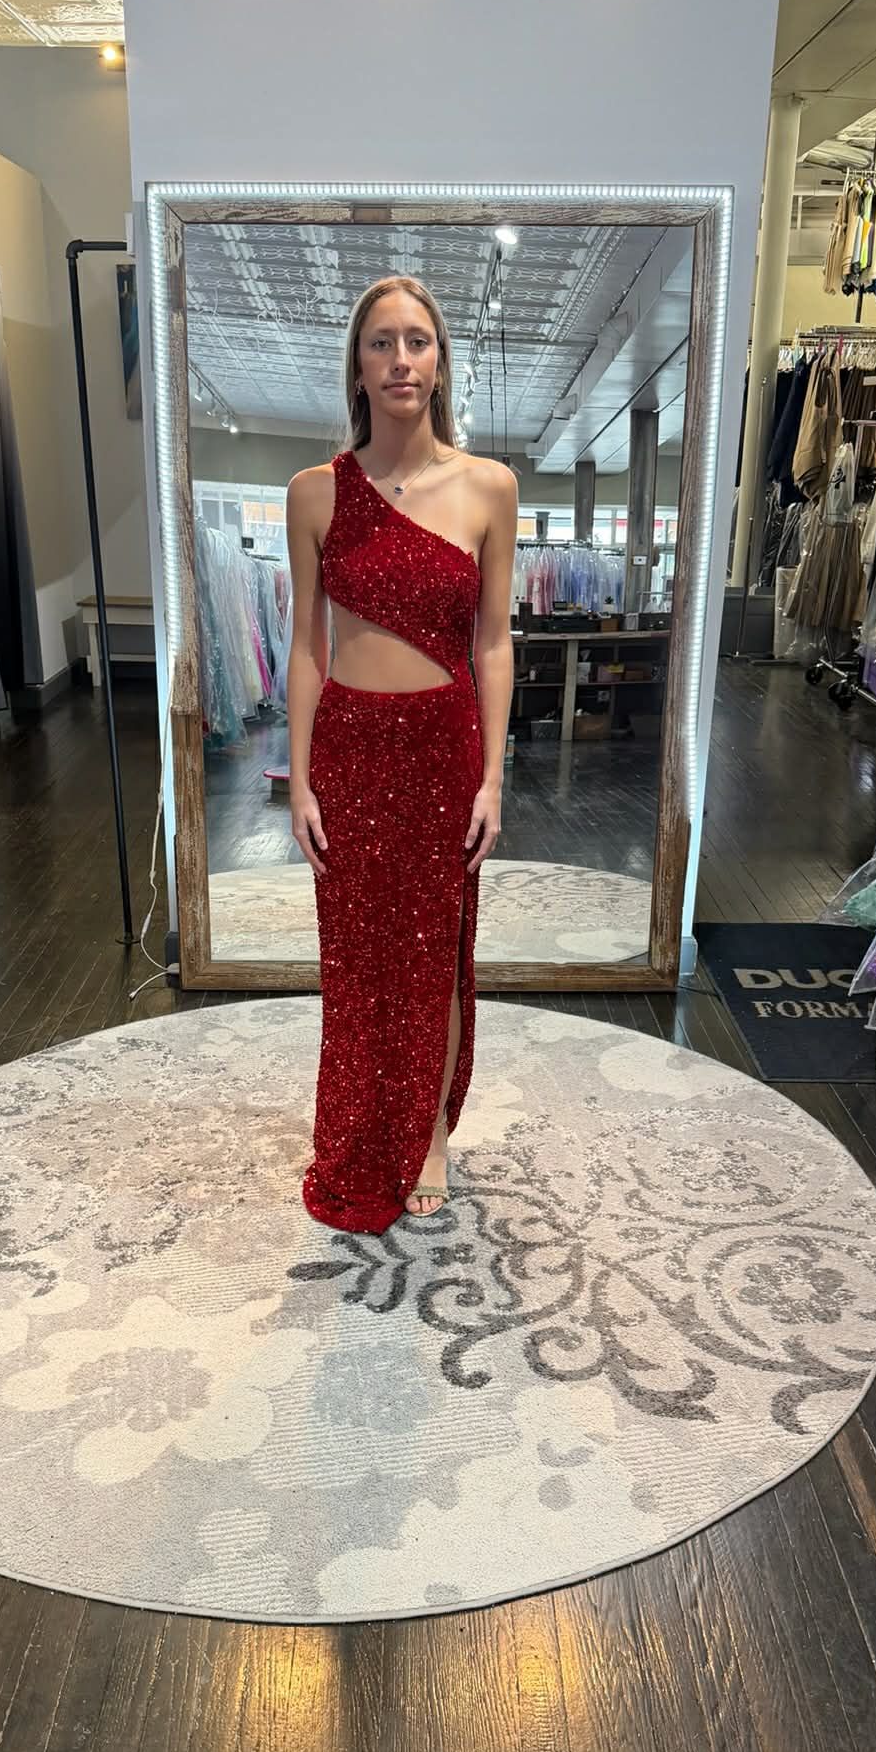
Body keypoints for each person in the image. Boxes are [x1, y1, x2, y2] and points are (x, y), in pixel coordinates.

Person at [286, 274, 517, 1230]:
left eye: (417, 342)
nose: (400, 361)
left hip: (441, 749)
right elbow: (305, 644)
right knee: (357, 957)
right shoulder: (313, 494)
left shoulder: (488, 487)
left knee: (433, 951)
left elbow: (495, 642)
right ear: (357, 365)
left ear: (441, 361)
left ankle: (425, 1139)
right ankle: (353, 1127)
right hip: (349, 749)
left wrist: (496, 775)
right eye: (381, 343)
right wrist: (298, 777)